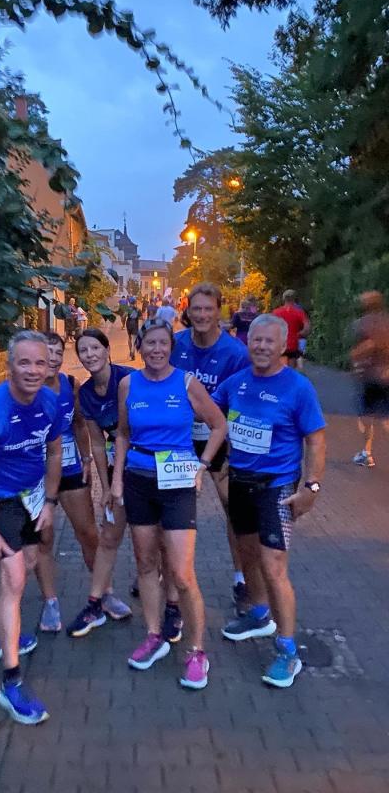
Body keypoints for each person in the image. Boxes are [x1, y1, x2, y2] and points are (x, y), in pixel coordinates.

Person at [111, 319, 227, 688]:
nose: (157, 350)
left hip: (177, 482)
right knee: (146, 563)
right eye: (150, 343)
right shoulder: (129, 384)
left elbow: (219, 425)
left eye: (163, 343)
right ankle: (154, 635)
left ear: (171, 348)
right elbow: (123, 433)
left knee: (182, 573)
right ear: (140, 346)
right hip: (139, 479)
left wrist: (203, 464)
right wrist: (116, 479)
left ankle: (197, 650)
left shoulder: (187, 383)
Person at [214, 314, 326, 688]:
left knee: (274, 566)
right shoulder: (236, 383)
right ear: (248, 343)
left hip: (276, 487)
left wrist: (311, 487)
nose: (261, 346)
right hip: (240, 483)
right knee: (247, 554)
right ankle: (259, 614)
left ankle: (288, 650)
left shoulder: (298, 387)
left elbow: (316, 440)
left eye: (269, 341)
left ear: (282, 346)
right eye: (256, 340)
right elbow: (209, 412)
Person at [0, 331, 64, 725]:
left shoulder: (50, 401)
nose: (33, 370)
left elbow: (54, 450)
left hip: (34, 497)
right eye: (24, 362)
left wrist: (50, 502)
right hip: (0, 499)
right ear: (9, 367)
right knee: (15, 581)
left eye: (40, 362)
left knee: (31, 561)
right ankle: (11, 683)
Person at [169, 282, 252, 613]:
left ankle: (242, 579)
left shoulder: (235, 353)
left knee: (235, 510)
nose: (202, 315)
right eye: (196, 309)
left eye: (208, 309)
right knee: (168, 509)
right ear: (187, 311)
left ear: (219, 311)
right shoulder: (175, 344)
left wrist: (235, 448)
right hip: (179, 439)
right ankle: (165, 573)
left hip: (220, 439)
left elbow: (242, 403)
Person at [65, 328, 133, 637]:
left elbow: (130, 433)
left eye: (95, 348)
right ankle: (97, 603)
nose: (90, 354)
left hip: (147, 467)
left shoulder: (129, 379)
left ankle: (170, 607)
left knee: (155, 541)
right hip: (119, 469)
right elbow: (97, 443)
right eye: (83, 350)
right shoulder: (87, 394)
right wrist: (105, 488)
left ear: (107, 350)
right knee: (108, 536)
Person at [34, 332, 100, 631]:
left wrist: (87, 459)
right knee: (44, 539)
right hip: (37, 474)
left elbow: (79, 423)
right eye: (47, 352)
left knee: (88, 533)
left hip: (71, 466)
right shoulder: (26, 389)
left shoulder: (70, 385)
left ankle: (103, 593)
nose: (53, 358)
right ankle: (50, 603)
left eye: (58, 352)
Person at [350, 290, 389, 468]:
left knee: (366, 416)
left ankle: (367, 453)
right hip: (387, 375)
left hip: (371, 377)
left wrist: (355, 355)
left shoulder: (362, 324)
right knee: (385, 417)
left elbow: (369, 345)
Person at [272, 290, 310, 369]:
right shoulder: (299, 312)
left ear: (283, 299)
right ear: (294, 299)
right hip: (293, 345)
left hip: (280, 345)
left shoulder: (276, 312)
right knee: (291, 370)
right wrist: (299, 334)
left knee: (280, 370)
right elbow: (307, 329)